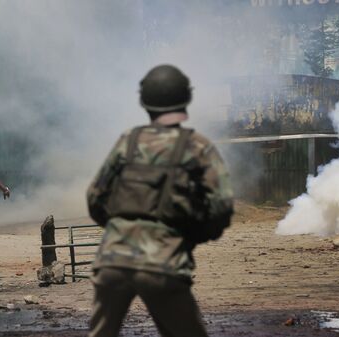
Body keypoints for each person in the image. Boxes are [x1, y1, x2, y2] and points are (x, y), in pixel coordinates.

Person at [86, 65, 234, 337]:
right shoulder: (197, 146)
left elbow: (95, 198)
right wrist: (190, 235)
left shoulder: (128, 141)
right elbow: (222, 207)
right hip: (164, 262)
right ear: (186, 99)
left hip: (112, 260)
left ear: (145, 102)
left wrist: (119, 227)